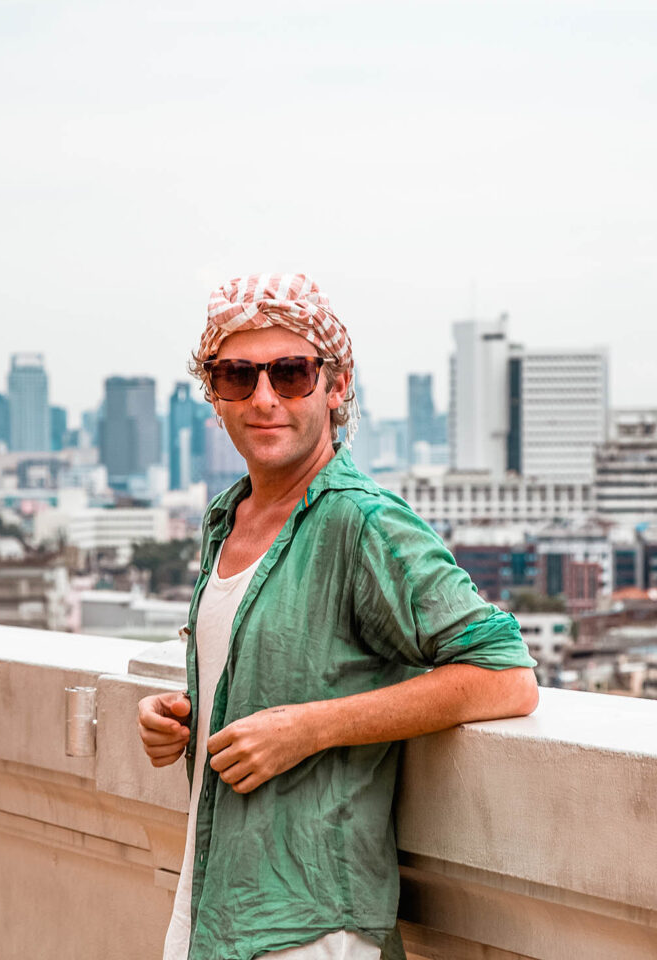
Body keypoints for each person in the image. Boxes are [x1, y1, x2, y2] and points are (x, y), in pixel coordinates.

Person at [139, 273, 538, 960]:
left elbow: (505, 673)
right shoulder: (228, 519)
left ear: (336, 384)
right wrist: (183, 717)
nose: (263, 398)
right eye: (238, 376)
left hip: (313, 925)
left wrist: (309, 729)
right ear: (214, 395)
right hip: (218, 906)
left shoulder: (361, 520)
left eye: (290, 374)